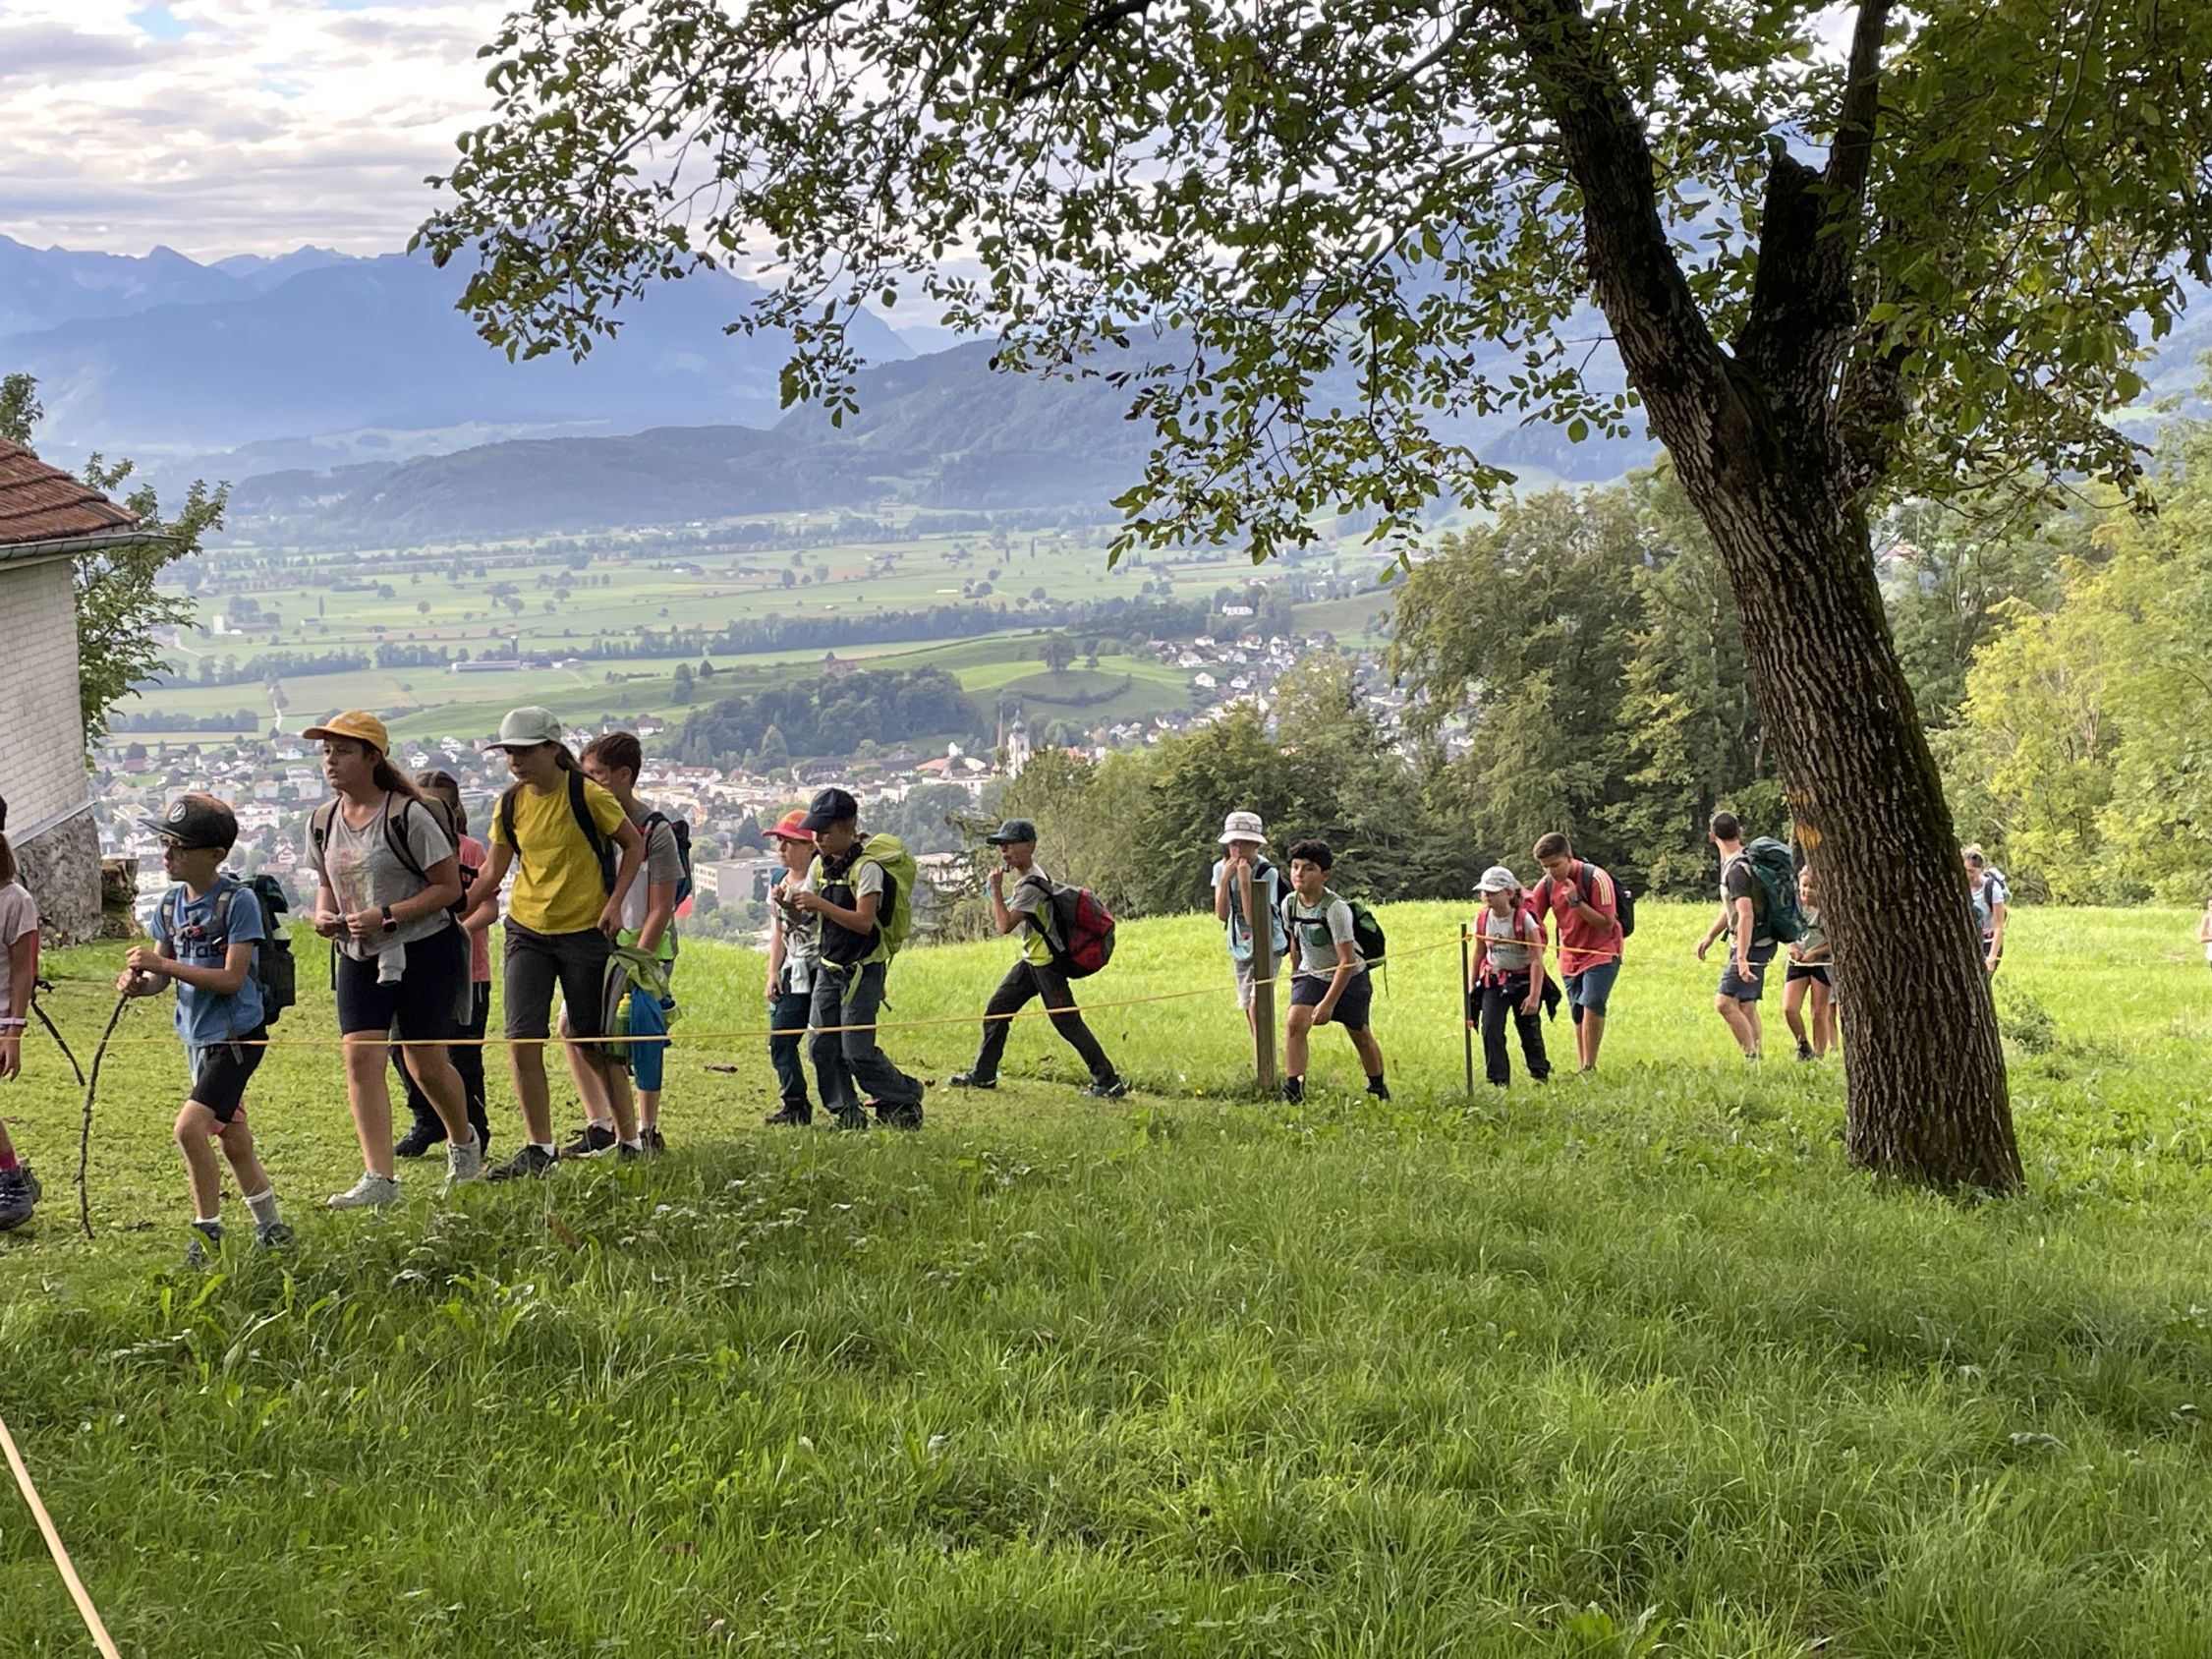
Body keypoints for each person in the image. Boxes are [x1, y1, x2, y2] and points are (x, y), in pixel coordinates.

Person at [304, 712, 485, 1207]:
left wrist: (387, 916)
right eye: (326, 751)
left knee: (425, 1065)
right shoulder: (322, 820)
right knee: (360, 1060)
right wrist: (324, 915)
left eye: (343, 751)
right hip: (358, 952)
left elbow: (449, 890)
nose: (330, 761)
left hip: (424, 949)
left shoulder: (409, 814)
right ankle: (379, 1180)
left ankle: (464, 1144)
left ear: (372, 757)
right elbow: (325, 882)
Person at [463, 707, 646, 1179]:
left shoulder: (588, 795)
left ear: (551, 748)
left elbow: (634, 845)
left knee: (592, 1042)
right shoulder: (510, 804)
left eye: (524, 751)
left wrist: (615, 904)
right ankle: (538, 1148)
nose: (515, 761)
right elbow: (492, 872)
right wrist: (452, 911)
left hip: (585, 933)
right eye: (509, 752)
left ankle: (630, 1140)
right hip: (527, 931)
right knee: (522, 1040)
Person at [113, 794, 291, 1264]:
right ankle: (272, 1227)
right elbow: (159, 978)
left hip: (237, 1038)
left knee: (189, 1129)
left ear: (215, 854)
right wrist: (140, 984)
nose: (167, 854)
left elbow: (232, 979)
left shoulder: (238, 902)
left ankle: (208, 1234)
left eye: (180, 846)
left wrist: (163, 965)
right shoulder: (170, 904)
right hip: (196, 1036)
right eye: (165, 844)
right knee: (233, 1138)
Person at [561, 732, 682, 1157]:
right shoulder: (590, 824)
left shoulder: (655, 831)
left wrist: (636, 964)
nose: (589, 783)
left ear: (625, 775)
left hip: (644, 951)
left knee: (638, 1030)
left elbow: (661, 907)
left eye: (597, 774)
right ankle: (602, 1122)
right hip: (597, 945)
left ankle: (647, 1128)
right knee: (572, 1028)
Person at [948, 818, 1128, 1098]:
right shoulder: (1028, 879)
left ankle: (1108, 1081)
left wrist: (995, 891)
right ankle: (984, 1075)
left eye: (1010, 844)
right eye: (1001, 846)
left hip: (1047, 964)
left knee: (1067, 1022)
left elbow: (1004, 925)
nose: (1004, 851)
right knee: (997, 1010)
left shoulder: (1031, 885)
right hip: (1032, 961)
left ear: (1030, 846)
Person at [781, 786, 926, 1130]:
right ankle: (847, 1114)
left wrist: (820, 904)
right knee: (821, 1047)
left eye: (825, 831)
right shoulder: (820, 866)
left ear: (848, 828)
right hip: (828, 968)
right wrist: (788, 906)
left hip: (863, 970)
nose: (818, 839)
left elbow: (863, 922)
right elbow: (806, 918)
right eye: (815, 832)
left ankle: (905, 1094)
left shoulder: (867, 868)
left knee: (857, 1050)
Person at [391, 771, 495, 1160]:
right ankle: (427, 1119)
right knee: (404, 1049)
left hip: (468, 971)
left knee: (463, 1054)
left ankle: (475, 1128)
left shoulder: (471, 850)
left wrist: (455, 932)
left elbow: (489, 906)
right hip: (410, 967)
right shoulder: (401, 850)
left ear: (454, 809)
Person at [1278, 838, 1388, 1103]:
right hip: (1311, 974)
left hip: (1350, 977)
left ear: (1324, 875)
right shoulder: (1289, 904)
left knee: (1360, 1034)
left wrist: (1328, 1004)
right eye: (1295, 867)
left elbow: (1347, 961)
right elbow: (1295, 941)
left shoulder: (1335, 909)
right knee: (1295, 1024)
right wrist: (1297, 975)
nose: (1299, 874)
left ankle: (1377, 1089)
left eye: (1309, 868)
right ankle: (1293, 1090)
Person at [1531, 831, 1622, 1073]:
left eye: (1555, 865)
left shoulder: (1596, 878)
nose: (1551, 872)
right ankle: (1583, 1066)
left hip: (1603, 951)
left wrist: (1576, 902)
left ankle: (1589, 1066)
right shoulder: (1547, 884)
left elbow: (1607, 923)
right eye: (1545, 867)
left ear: (1569, 857)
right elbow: (1532, 916)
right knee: (1577, 1010)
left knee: (1592, 1002)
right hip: (1570, 955)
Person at [1695, 810, 1774, 1060]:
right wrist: (1710, 935)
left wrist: (1741, 957)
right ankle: (1758, 1062)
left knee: (1724, 1003)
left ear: (1712, 835)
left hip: (1749, 944)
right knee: (1746, 1004)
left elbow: (1745, 913)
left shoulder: (1736, 870)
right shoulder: (1744, 861)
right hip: (1762, 941)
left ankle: (1751, 1058)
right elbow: (1732, 907)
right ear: (1739, 832)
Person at [762, 810, 821, 1126]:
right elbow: (779, 932)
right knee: (781, 1038)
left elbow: (809, 921)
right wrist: (773, 972)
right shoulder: (777, 880)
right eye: (779, 842)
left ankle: (844, 1102)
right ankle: (794, 1103)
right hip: (793, 969)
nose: (781, 849)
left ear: (811, 846)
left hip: (821, 967)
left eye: (790, 842)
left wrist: (789, 907)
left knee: (826, 1042)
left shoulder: (820, 879)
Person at [1469, 864, 1550, 1087]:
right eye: (1484, 892)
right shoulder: (1482, 919)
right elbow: (1478, 952)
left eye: (1492, 892)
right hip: (1494, 980)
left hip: (1523, 981)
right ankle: (1498, 1081)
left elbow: (1536, 959)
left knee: (1529, 1030)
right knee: (1490, 1029)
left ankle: (1540, 1074)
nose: (1487, 897)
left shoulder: (1525, 919)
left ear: (1509, 893)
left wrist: (1534, 996)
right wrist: (1472, 985)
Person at [0, 824, 41, 1232]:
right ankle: (15, 1178)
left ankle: (12, 1179)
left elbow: (22, 970)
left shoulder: (16, 900)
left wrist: (13, 1033)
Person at [1212, 810, 1287, 1030]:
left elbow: (1254, 919)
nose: (1237, 849)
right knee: (1247, 1004)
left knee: (1258, 1002)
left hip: (1267, 942)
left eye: (1244, 843)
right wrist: (1224, 880)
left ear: (1256, 845)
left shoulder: (1267, 872)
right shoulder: (1220, 868)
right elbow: (1222, 914)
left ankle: (1266, 1048)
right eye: (1233, 843)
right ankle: (1258, 1047)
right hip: (1240, 943)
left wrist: (1245, 882)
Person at [1783, 863, 1835, 1061]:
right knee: (1789, 1008)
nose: (1806, 891)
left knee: (1818, 1012)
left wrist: (1815, 952)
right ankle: (1803, 1046)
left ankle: (1819, 1056)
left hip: (1822, 963)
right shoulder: (1794, 907)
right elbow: (1785, 931)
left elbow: (1837, 942)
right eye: (1803, 886)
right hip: (1798, 962)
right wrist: (1792, 947)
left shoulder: (1829, 910)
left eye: (1812, 886)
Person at [1963, 844, 2008, 976]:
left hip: (1988, 943)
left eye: (1972, 871)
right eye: (1965, 871)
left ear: (1981, 870)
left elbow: (1999, 926)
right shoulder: (1960, 887)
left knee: (1982, 982)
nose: (1968, 875)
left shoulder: (1992, 888)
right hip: (1969, 942)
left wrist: (1992, 957)